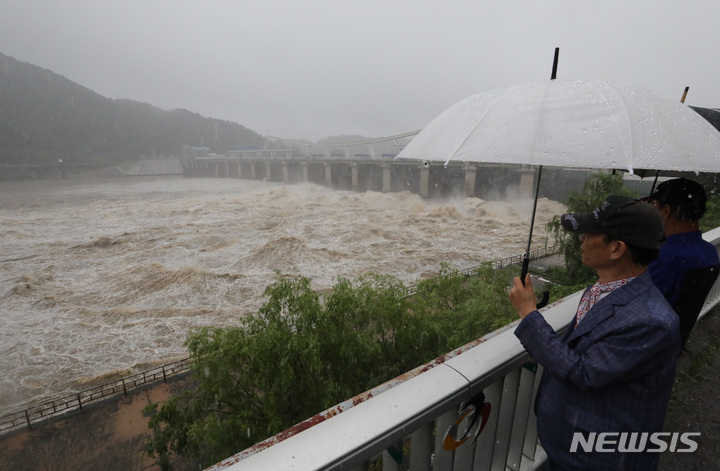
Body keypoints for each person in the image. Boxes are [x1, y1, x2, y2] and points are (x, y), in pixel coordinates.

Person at [509, 195, 680, 470]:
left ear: (616, 249)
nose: (582, 239)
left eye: (589, 233)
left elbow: (582, 372)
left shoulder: (651, 322)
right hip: (571, 447)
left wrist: (529, 314)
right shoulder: (602, 288)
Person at [644, 178, 720, 346]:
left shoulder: (668, 258)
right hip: (673, 343)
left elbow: (634, 305)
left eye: (653, 206)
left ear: (666, 211)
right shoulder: (709, 253)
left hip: (646, 348)